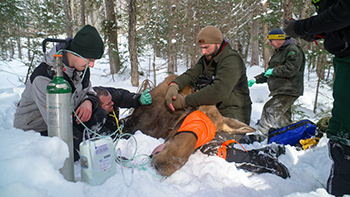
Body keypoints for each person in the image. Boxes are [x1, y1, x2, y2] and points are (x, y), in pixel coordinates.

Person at [283, 0, 350, 196]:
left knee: (343, 132)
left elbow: (345, 11)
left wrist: (303, 27)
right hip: (344, 56)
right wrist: (319, 30)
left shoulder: (290, 51)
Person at [14, 25, 104, 160]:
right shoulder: (44, 77)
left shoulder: (81, 67)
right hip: (37, 128)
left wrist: (88, 102)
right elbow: (57, 122)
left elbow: (89, 91)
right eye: (90, 59)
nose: (92, 65)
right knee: (72, 151)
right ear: (76, 53)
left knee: (100, 115)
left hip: (66, 116)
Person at [165, 25, 252, 139]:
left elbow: (218, 91)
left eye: (206, 47)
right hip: (212, 112)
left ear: (218, 43)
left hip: (233, 115)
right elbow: (192, 74)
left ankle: (256, 154)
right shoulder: (208, 58)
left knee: (210, 148)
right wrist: (174, 85)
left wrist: (184, 102)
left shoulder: (231, 60)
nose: (203, 51)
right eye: (201, 47)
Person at [247, 29, 305, 142]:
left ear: (279, 39)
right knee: (283, 118)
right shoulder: (279, 52)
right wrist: (256, 79)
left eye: (271, 40)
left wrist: (273, 71)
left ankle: (261, 136)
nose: (270, 43)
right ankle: (286, 138)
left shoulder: (292, 50)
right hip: (281, 90)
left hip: (288, 89)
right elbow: (270, 73)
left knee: (270, 109)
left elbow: (291, 69)